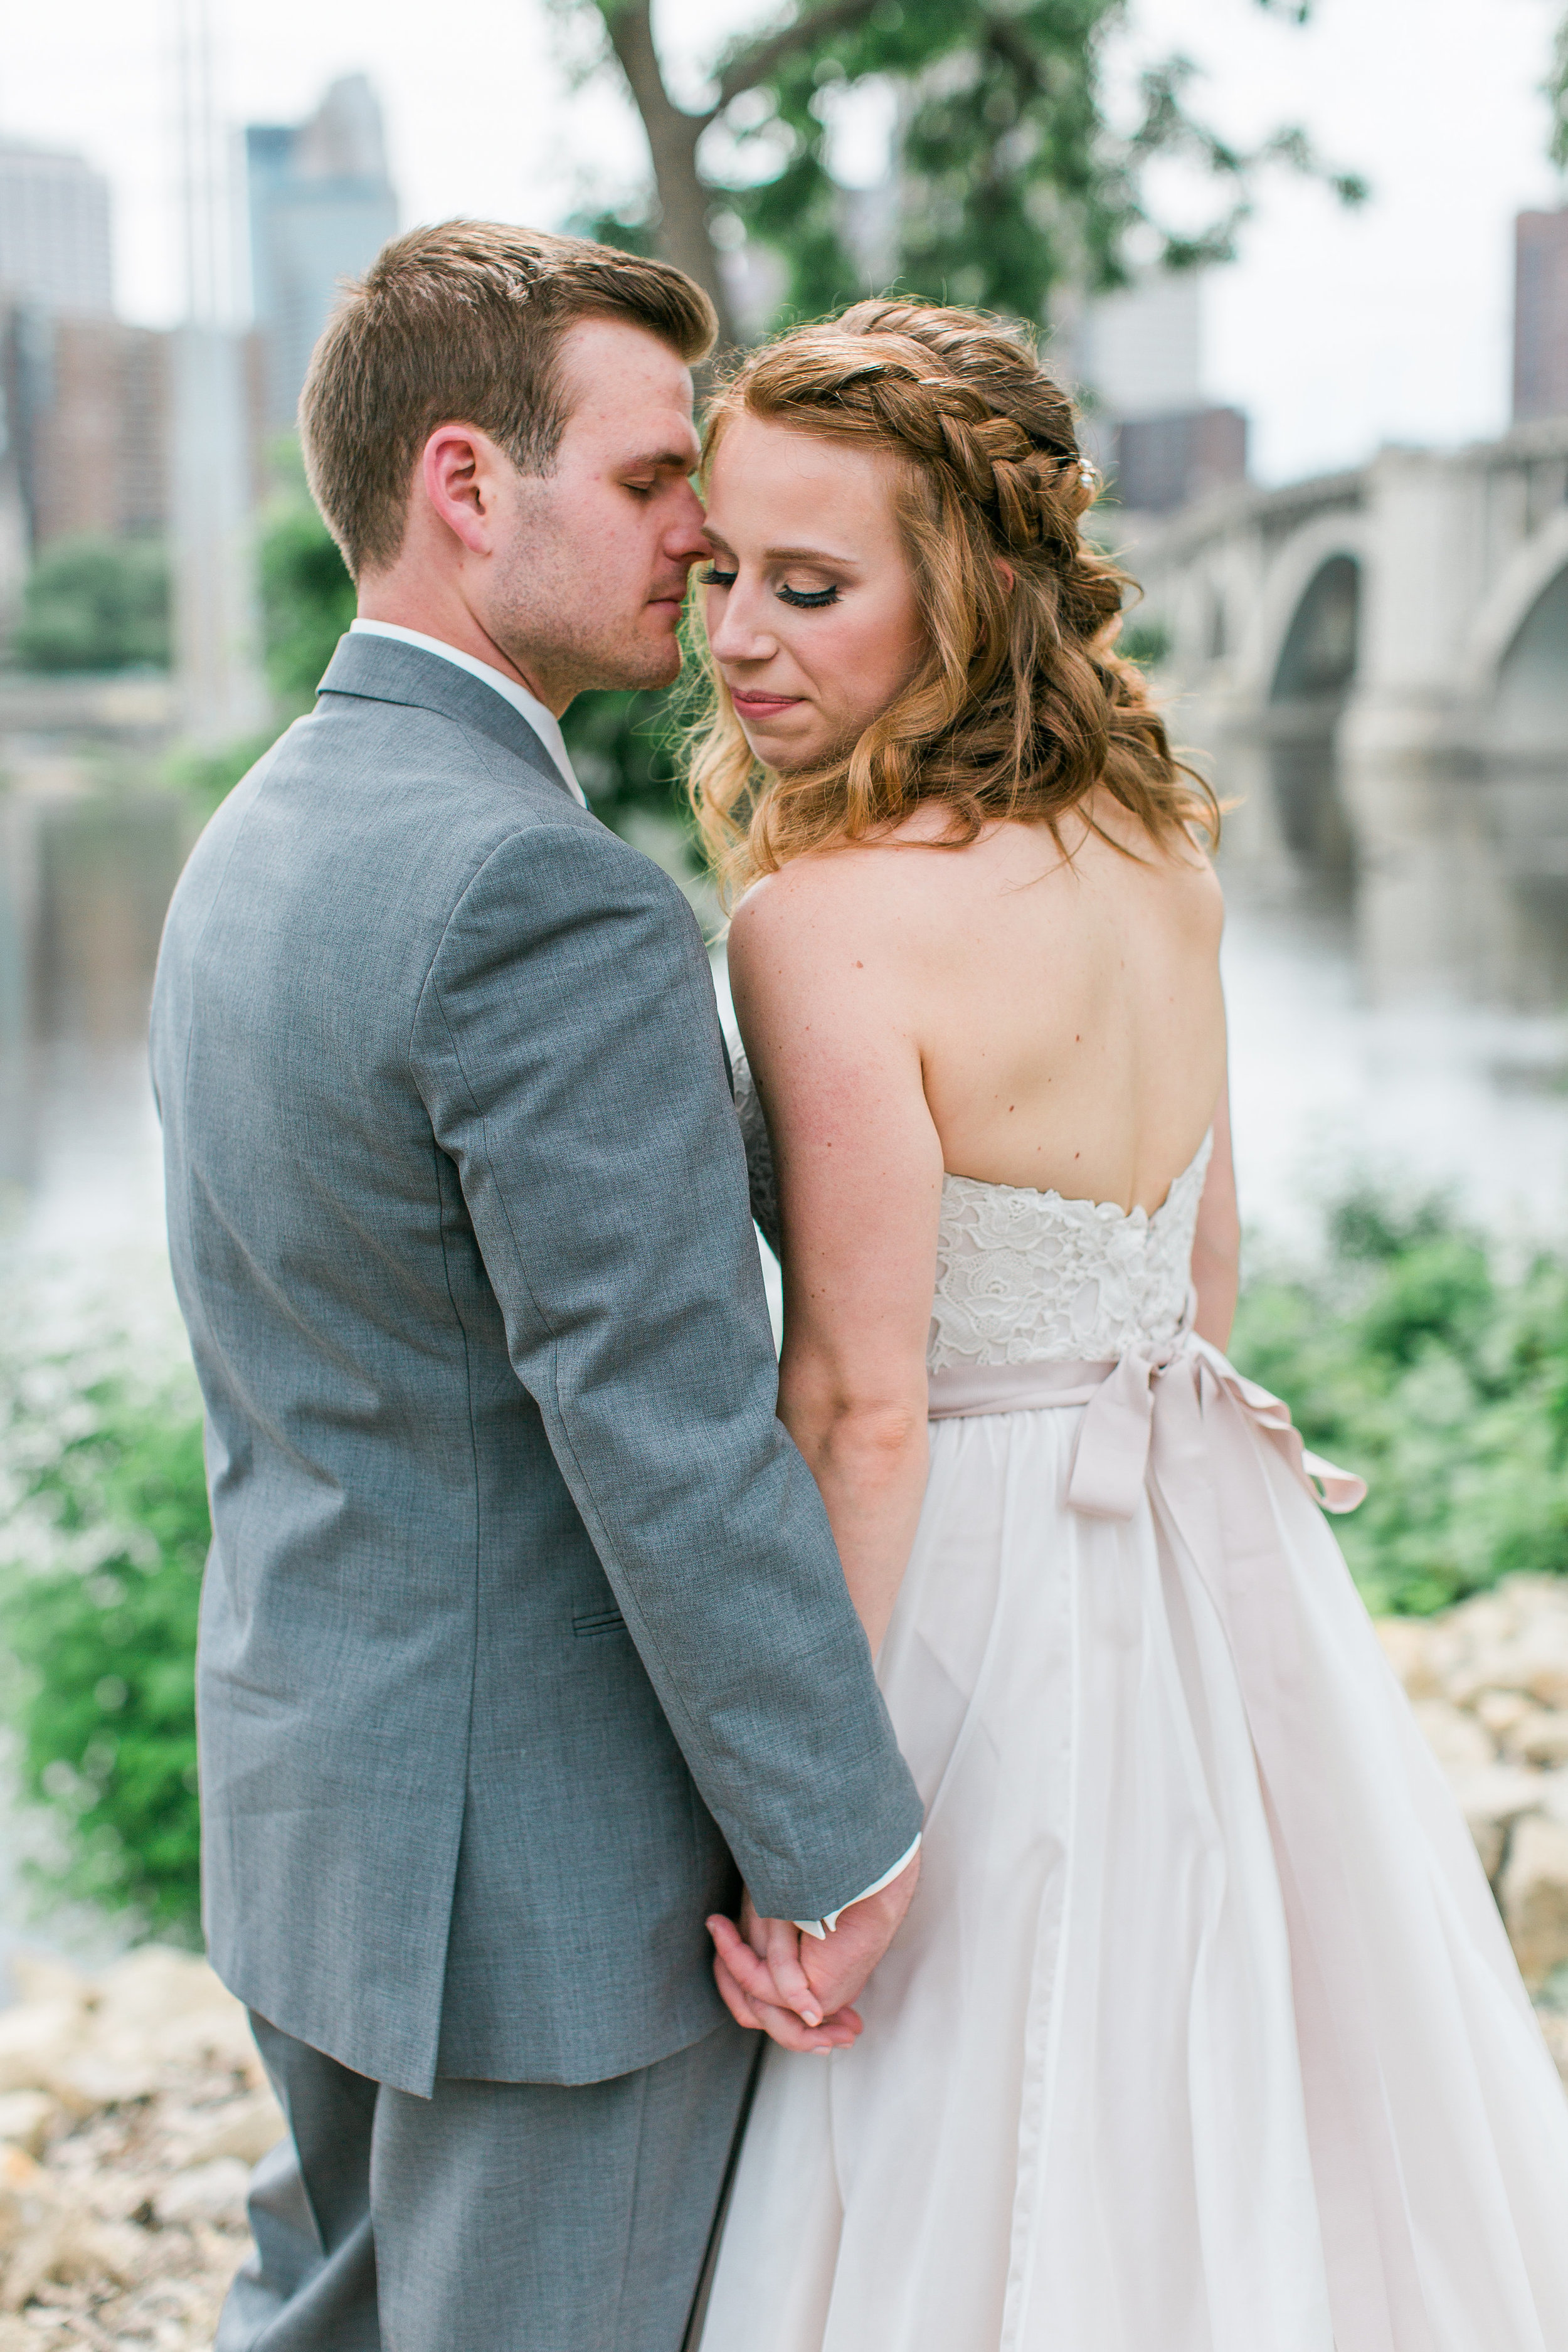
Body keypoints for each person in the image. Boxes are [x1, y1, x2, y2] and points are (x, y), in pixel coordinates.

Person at [690, 301, 1568, 2351]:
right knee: (1248, 2068)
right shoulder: (1156, 854)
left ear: (976, 593)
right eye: (722, 572)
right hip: (1203, 1538)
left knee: (968, 2102)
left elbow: (857, 1399)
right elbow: (1204, 1285)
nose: (735, 637)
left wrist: (807, 1827)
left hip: (968, 1571)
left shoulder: (813, 930)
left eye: (809, 587)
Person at [147, 224, 924, 2352]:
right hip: (538, 1885)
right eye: (655, 474)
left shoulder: (257, 836)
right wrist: (837, 1847)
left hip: (322, 1803)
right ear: (468, 486)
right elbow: (662, 1426)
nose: (703, 531)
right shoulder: (536, 893)